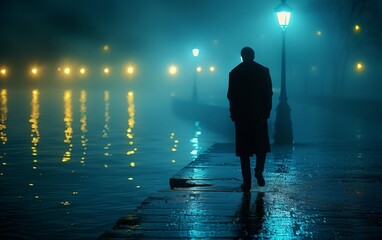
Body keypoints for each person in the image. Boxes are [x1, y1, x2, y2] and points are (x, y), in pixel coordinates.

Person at [227, 47, 273, 191]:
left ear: (242, 56)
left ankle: (246, 182)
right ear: (254, 56)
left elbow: (231, 96)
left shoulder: (234, 72)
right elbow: (268, 93)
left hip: (242, 117)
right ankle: (259, 171)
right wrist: (267, 112)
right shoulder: (264, 71)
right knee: (261, 147)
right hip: (259, 115)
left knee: (244, 151)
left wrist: (234, 113)